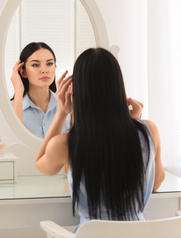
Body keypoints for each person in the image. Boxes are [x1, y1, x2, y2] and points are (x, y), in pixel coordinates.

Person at [35, 48, 165, 233]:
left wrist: (61, 112)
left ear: (77, 91)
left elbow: (41, 164)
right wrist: (135, 123)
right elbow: (156, 183)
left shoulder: (65, 144)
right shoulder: (149, 130)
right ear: (118, 86)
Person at [11, 42, 71, 138]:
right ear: (23, 72)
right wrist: (18, 90)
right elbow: (13, 139)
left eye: (49, 63)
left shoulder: (68, 104)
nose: (44, 70)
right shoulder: (11, 108)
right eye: (35, 65)